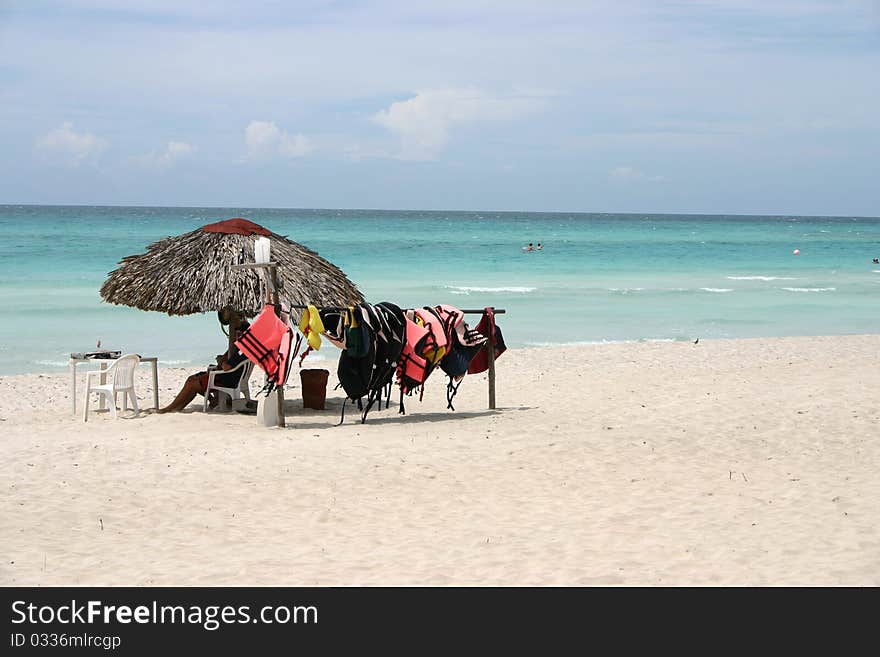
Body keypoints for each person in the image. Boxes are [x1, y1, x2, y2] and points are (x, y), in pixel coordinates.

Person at [158, 319, 251, 413]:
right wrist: (223, 359)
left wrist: (221, 362)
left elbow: (227, 367)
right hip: (229, 377)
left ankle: (170, 408)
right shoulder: (244, 348)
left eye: (237, 334)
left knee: (192, 383)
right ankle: (178, 407)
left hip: (226, 379)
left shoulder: (240, 350)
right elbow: (229, 362)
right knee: (191, 379)